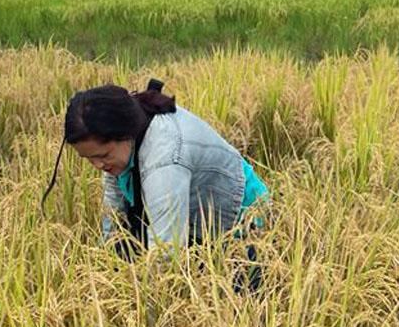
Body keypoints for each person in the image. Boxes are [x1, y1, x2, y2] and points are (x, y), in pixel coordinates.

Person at [43, 81, 269, 287]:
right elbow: (114, 221)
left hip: (240, 221)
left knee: (234, 297)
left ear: (124, 134)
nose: (97, 165)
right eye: (89, 158)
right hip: (190, 213)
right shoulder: (120, 149)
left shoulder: (165, 160)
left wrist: (151, 308)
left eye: (102, 155)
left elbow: (167, 257)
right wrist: (106, 271)